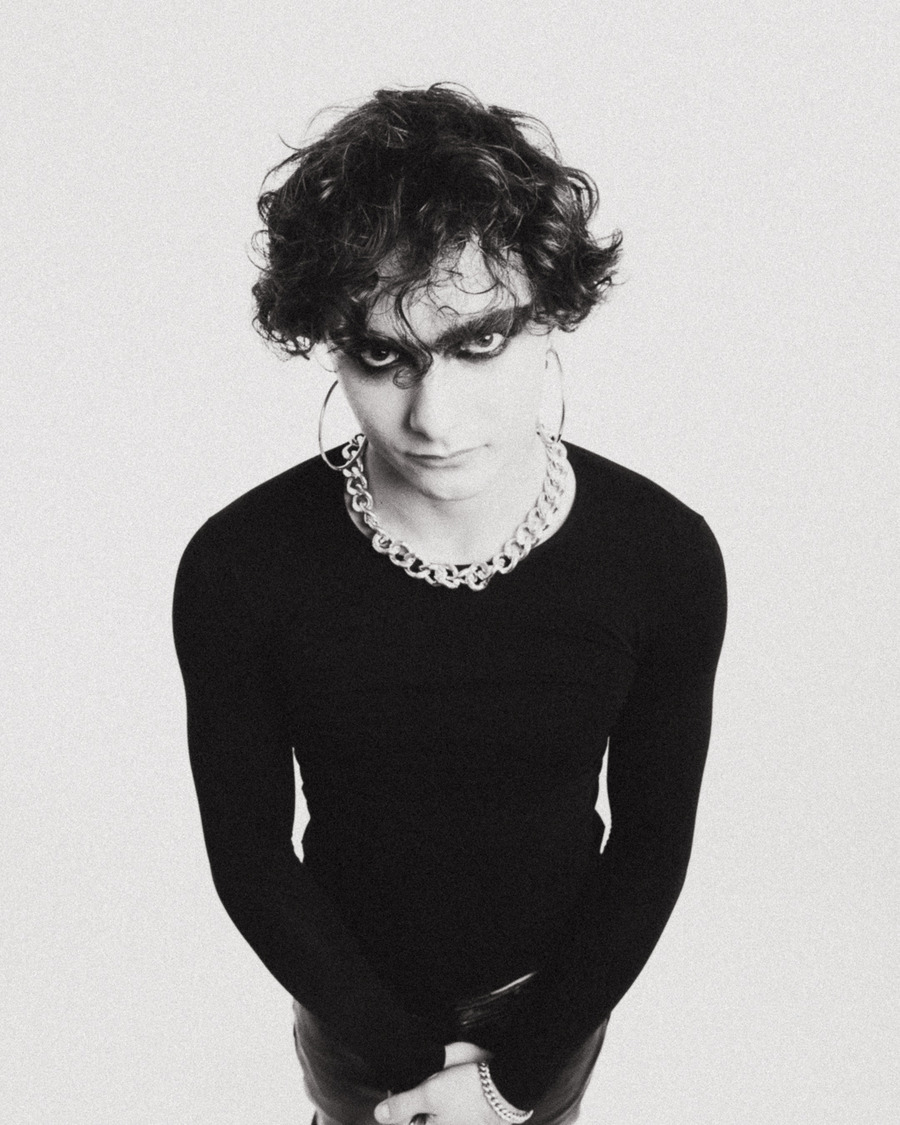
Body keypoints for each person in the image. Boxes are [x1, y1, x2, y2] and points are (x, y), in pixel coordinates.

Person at [173, 84, 726, 1125]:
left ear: (550, 315)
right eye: (383, 355)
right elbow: (250, 856)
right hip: (352, 1008)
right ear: (330, 343)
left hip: (553, 1008)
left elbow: (652, 843)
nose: (433, 417)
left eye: (478, 344)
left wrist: (510, 1080)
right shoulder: (241, 567)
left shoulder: (662, 555)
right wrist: (402, 1064)